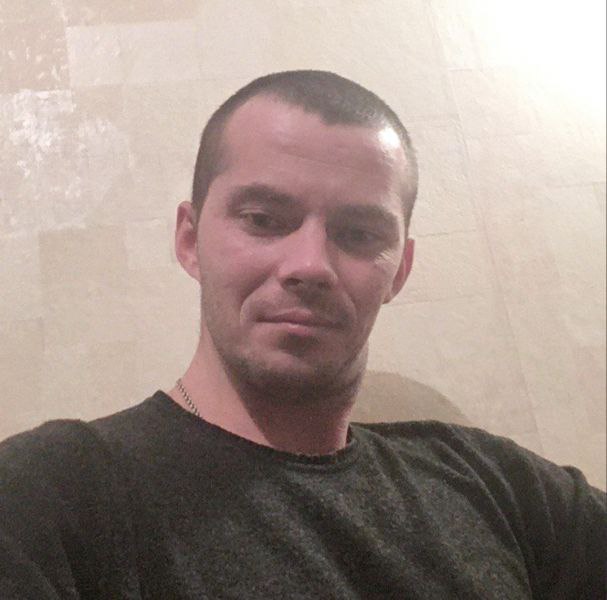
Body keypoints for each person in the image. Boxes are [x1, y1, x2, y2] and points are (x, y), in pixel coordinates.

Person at [0, 70, 604, 599]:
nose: (310, 265)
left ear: (400, 271)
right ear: (189, 240)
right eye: (263, 220)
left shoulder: (501, 488)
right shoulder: (48, 495)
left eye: (359, 234)